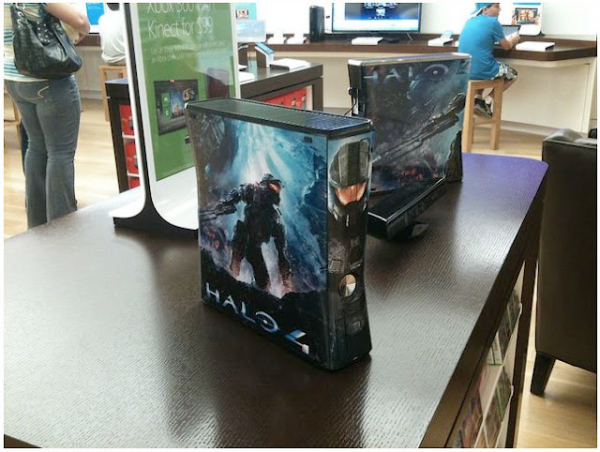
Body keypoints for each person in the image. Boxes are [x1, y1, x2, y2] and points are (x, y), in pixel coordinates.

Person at [4, 3, 90, 228]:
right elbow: (81, 22)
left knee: (36, 146)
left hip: (14, 76)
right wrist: (82, 30)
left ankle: (37, 225)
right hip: (48, 77)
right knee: (60, 152)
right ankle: (61, 227)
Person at [458, 3, 520, 117]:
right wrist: (514, 40)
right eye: (496, 6)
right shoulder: (493, 22)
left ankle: (477, 99)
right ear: (485, 9)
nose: (500, 9)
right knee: (512, 75)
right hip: (481, 71)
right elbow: (506, 46)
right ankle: (487, 101)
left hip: (465, 71)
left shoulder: (469, 21)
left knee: (484, 65)